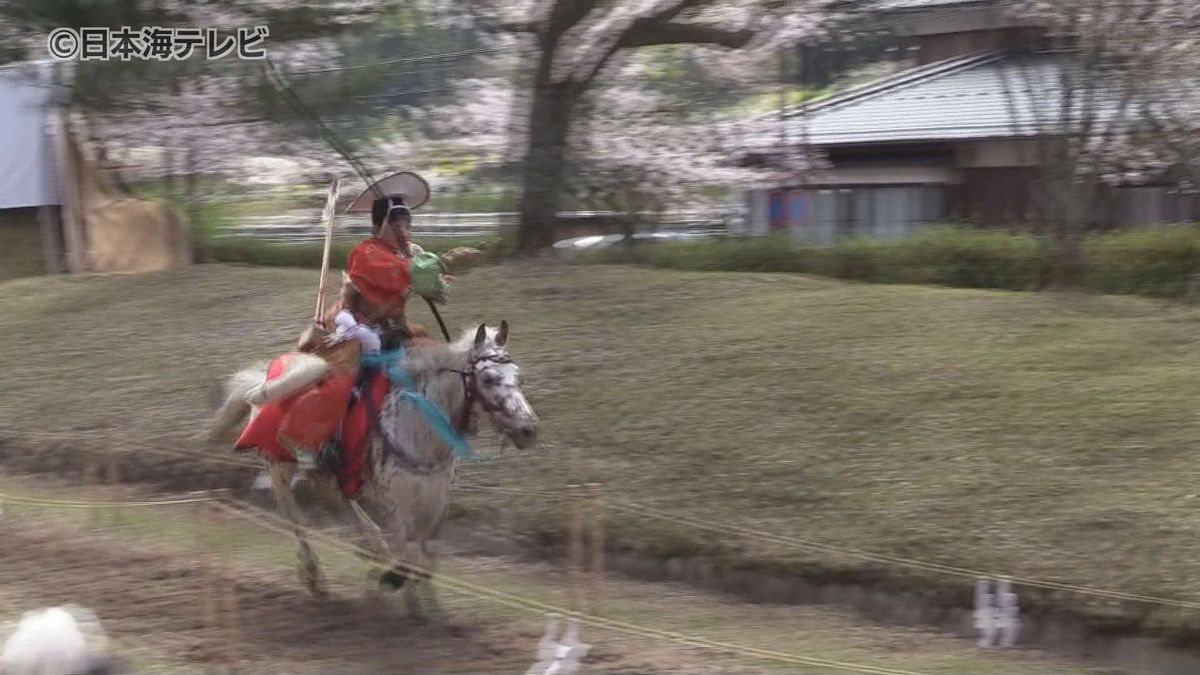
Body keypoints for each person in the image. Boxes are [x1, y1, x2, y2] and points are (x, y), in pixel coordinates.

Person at [243, 173, 470, 470]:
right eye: (396, 225)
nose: (404, 232)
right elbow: (387, 273)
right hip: (355, 325)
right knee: (340, 381)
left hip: (396, 327)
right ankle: (313, 445)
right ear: (378, 227)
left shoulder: (411, 254)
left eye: (407, 225)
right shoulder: (365, 252)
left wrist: (433, 277)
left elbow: (423, 277)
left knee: (436, 363)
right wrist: (418, 271)